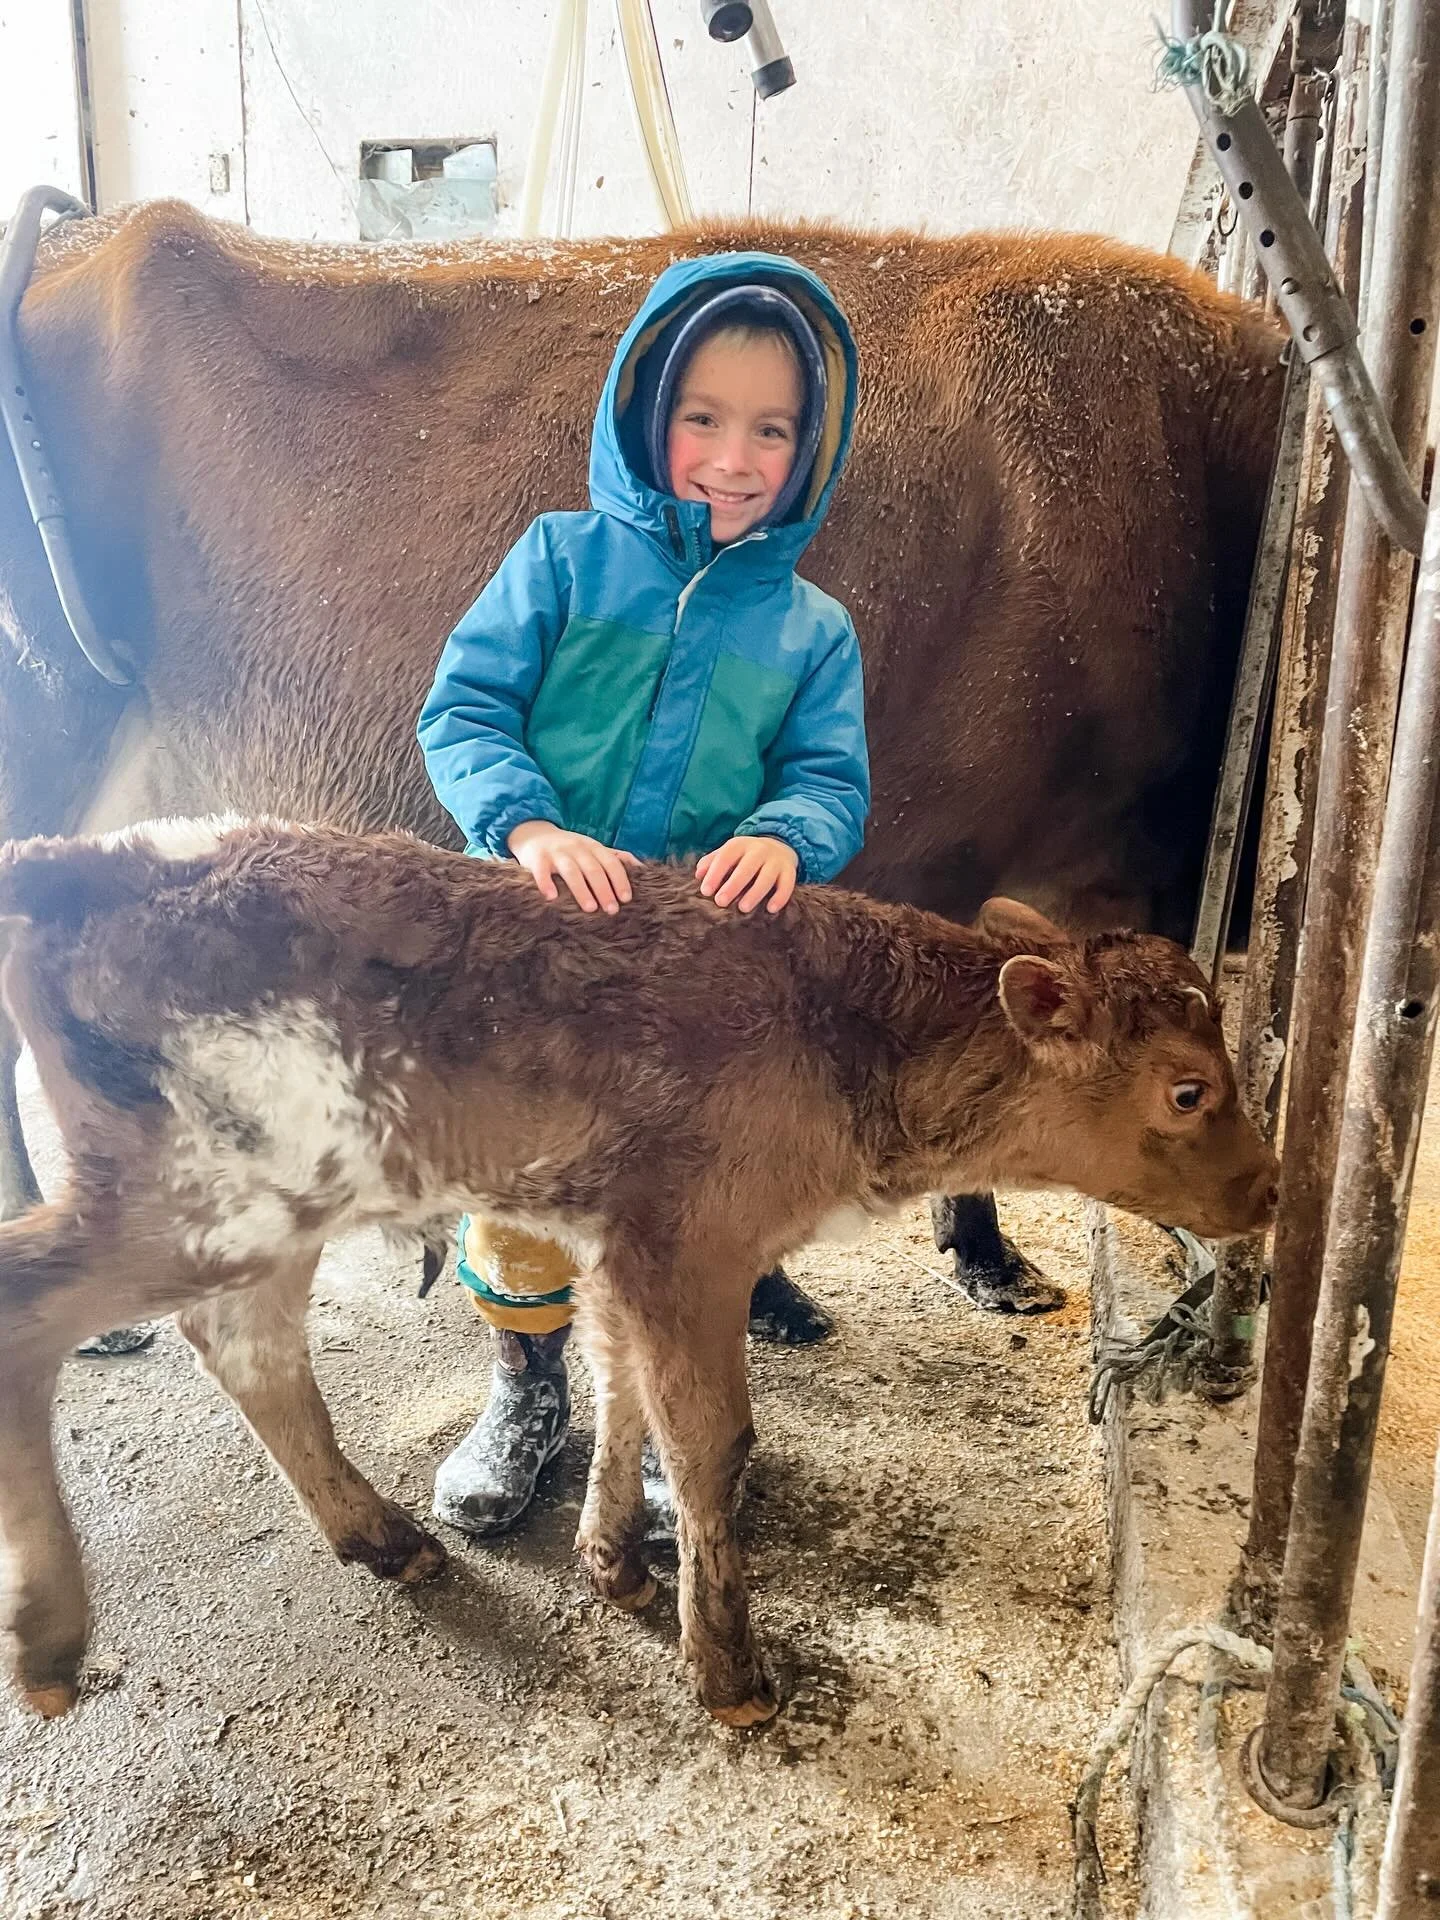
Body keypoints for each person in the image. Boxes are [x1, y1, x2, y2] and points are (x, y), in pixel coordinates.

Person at [417, 250, 868, 1537]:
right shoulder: (560, 563)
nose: (734, 457)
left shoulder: (811, 629)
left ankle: (677, 1414)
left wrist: (787, 836)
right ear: (646, 415)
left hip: (695, 980)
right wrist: (528, 822)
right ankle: (526, 1390)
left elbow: (829, 779)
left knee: (688, 1200)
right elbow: (463, 709)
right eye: (703, 418)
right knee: (519, 1184)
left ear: (809, 448)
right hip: (538, 951)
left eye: (771, 429)